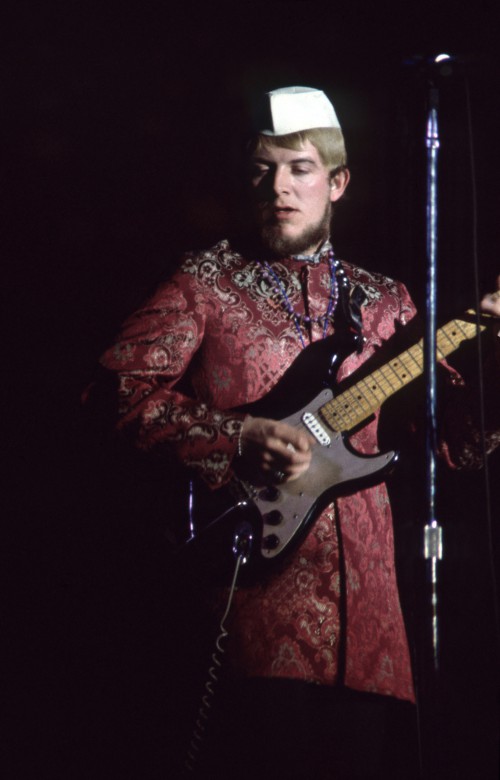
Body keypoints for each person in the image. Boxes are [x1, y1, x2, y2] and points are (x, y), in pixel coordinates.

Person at [92, 87, 500, 778]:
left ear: (337, 182)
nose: (278, 187)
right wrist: (236, 434)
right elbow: (114, 391)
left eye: (300, 168)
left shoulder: (388, 302)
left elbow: (455, 448)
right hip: (250, 611)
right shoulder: (207, 281)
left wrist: (490, 349)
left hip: (371, 634)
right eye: (261, 169)